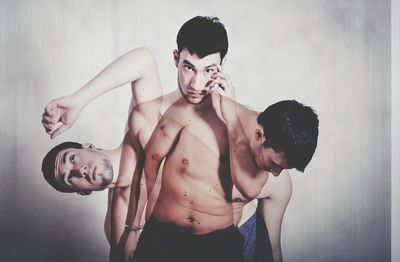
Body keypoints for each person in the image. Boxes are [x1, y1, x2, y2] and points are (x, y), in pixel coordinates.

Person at [125, 16, 319, 262]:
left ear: (223, 64)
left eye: (208, 70)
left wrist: (231, 120)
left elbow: (254, 200)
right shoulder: (176, 114)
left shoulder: (264, 161)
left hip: (216, 246)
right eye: (189, 67)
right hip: (162, 237)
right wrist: (131, 229)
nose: (196, 82)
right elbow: (146, 167)